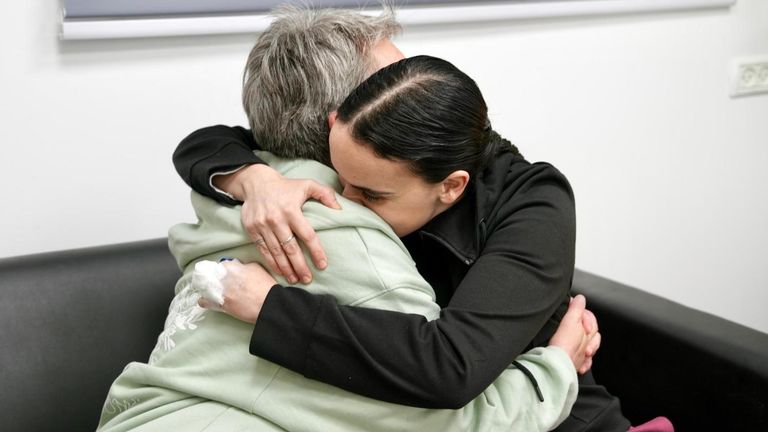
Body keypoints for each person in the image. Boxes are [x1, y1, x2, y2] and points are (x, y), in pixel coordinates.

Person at [96, 8, 596, 432]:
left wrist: (269, 305)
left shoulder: (526, 198)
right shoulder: (304, 193)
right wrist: (253, 180)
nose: (403, 84)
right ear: (339, 118)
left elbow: (447, 370)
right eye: (384, 80)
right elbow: (207, 141)